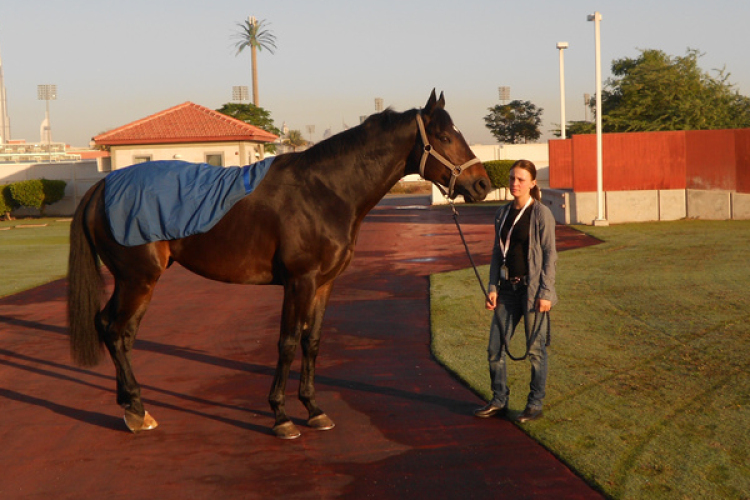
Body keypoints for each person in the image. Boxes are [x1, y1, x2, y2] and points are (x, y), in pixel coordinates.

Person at [474, 159, 557, 423]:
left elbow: (549, 255)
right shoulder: (501, 213)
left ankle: (535, 404)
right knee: (494, 348)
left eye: (521, 179)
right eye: (512, 178)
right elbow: (497, 252)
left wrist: (546, 292)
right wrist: (492, 287)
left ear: (532, 183)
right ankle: (499, 399)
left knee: (535, 351)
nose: (515, 183)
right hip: (507, 290)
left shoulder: (541, 214)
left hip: (532, 291)